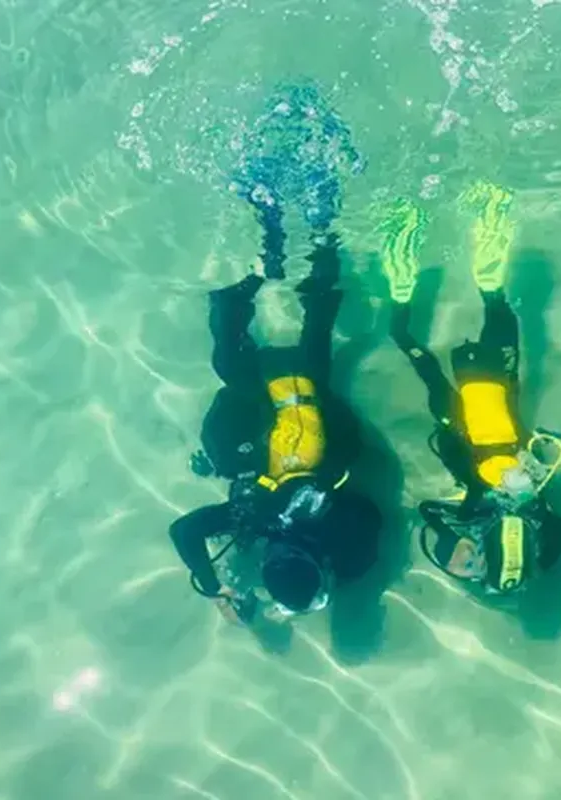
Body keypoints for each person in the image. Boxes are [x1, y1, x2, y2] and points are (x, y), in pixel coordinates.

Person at [169, 86, 380, 629]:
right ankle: (268, 236)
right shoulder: (255, 522)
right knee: (236, 337)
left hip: (305, 385)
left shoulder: (314, 531)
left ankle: (313, 219)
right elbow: (185, 532)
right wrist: (212, 587)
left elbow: (370, 512)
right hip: (264, 390)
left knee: (315, 310)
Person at [379, 183, 561, 598]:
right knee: (425, 330)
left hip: (480, 397)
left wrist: (467, 546)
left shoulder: (516, 506)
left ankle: (471, 209)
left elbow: (554, 539)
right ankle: (412, 225)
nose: (475, 559)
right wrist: (467, 551)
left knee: (492, 304)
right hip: (473, 402)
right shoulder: (508, 507)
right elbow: (429, 511)